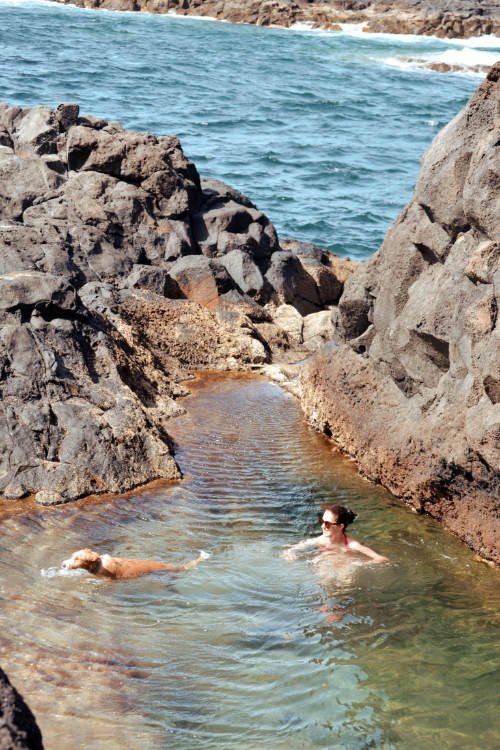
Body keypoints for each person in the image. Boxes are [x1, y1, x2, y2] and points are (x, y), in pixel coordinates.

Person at [282, 504, 388, 563]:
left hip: (345, 570)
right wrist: (290, 553)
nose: (323, 526)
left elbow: (381, 558)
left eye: (327, 523)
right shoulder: (321, 540)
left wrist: (359, 565)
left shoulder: (351, 545)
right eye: (322, 521)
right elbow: (294, 548)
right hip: (325, 567)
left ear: (340, 526)